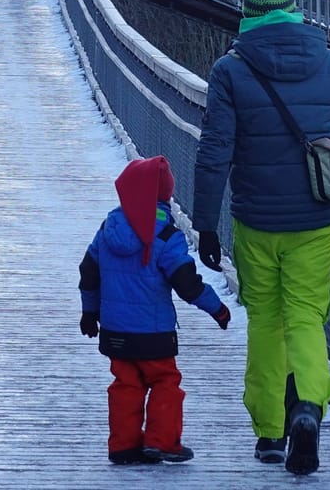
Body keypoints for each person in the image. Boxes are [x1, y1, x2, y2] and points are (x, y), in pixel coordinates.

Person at [192, 0, 330, 475]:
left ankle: (269, 432)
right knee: (307, 317)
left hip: (256, 222)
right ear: (293, 6)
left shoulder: (230, 70)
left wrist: (205, 224)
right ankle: (307, 408)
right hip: (316, 221)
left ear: (248, 11)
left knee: (265, 322)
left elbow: (214, 152)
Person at [79, 156, 230, 466]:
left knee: (125, 385)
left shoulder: (108, 228)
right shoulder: (166, 235)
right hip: (154, 333)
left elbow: (88, 271)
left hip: (115, 331)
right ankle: (161, 442)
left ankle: (123, 446)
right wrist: (217, 309)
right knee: (164, 382)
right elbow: (186, 283)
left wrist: (89, 312)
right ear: (164, 196)